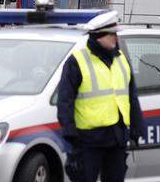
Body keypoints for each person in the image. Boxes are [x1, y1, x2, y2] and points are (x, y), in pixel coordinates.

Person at [57, 17, 145, 182]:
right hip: (88, 141)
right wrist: (71, 136)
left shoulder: (121, 60)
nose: (116, 38)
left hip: (117, 137)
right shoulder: (77, 61)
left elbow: (131, 97)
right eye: (112, 34)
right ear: (99, 36)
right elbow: (65, 102)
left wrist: (137, 129)